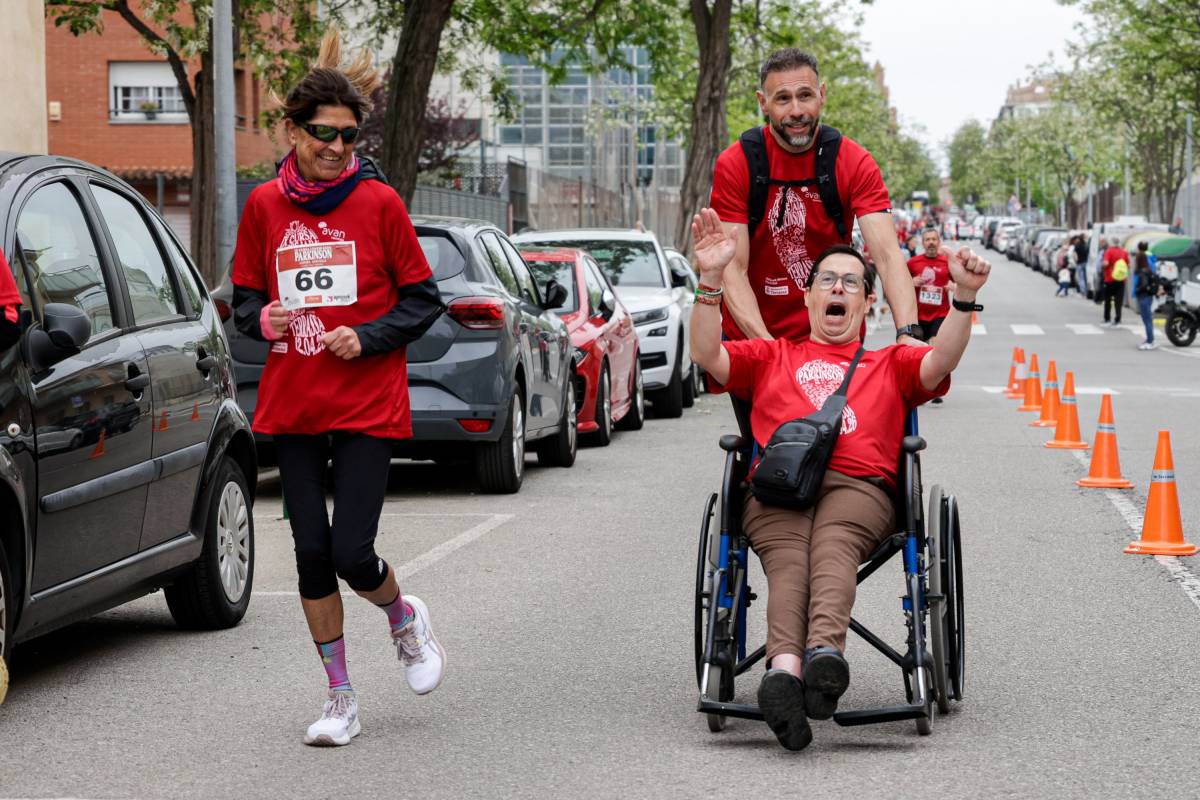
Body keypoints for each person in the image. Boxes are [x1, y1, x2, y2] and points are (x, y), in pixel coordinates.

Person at [687, 208, 990, 751]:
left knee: (831, 544)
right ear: (807, 298)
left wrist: (962, 300)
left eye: (852, 282)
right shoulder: (772, 355)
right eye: (827, 279)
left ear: (867, 304)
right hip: (779, 488)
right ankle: (784, 674)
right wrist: (712, 282)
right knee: (789, 558)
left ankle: (822, 656)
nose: (838, 288)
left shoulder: (889, 362)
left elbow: (939, 361)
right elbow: (707, 353)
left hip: (860, 489)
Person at [231, 30, 447, 747]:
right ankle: (340, 698)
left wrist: (370, 335)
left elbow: (423, 300)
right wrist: (260, 316)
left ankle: (402, 618)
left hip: (364, 402)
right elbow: (241, 303)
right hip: (294, 405)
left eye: (349, 136)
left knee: (353, 552)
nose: (336, 147)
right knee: (311, 555)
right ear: (293, 130)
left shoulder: (378, 203)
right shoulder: (264, 207)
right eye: (323, 134)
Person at [708, 48, 921, 346]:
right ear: (763, 103)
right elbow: (734, 270)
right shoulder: (737, 163)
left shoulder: (854, 161)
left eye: (805, 95)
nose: (796, 110)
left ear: (822, 95)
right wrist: (770, 352)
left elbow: (887, 256)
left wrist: (908, 334)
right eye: (783, 98)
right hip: (756, 341)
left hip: (835, 342)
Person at [1133, 249, 1160, 350]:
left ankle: (1150, 341)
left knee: (1147, 320)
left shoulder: (1142, 272)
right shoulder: (1148, 269)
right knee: (1147, 319)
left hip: (1143, 297)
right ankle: (1149, 339)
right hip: (1148, 297)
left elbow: (1143, 285)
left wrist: (1137, 289)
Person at [1101, 237, 1128, 326]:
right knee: (1118, 301)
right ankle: (1118, 319)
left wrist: (1103, 268)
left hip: (1109, 278)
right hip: (1120, 279)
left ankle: (1107, 319)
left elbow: (1106, 263)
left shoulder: (1108, 251)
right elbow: (1127, 264)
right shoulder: (1124, 252)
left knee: (1108, 300)